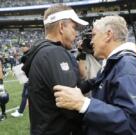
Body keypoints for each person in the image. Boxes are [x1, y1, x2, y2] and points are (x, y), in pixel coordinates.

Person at [53, 16, 136, 135]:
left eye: (93, 35)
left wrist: (84, 104)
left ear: (108, 35)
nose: (91, 41)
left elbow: (132, 124)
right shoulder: (115, 63)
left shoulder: (126, 66)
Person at [22, 3, 88, 135]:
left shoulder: (40, 51)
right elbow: (71, 106)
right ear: (62, 27)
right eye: (74, 27)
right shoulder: (55, 53)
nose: (76, 33)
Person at [11, 43, 30, 118]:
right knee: (24, 95)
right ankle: (20, 110)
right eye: (21, 47)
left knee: (26, 95)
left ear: (28, 47)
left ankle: (20, 112)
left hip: (31, 78)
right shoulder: (24, 56)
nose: (22, 48)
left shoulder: (30, 55)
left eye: (24, 46)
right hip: (26, 78)